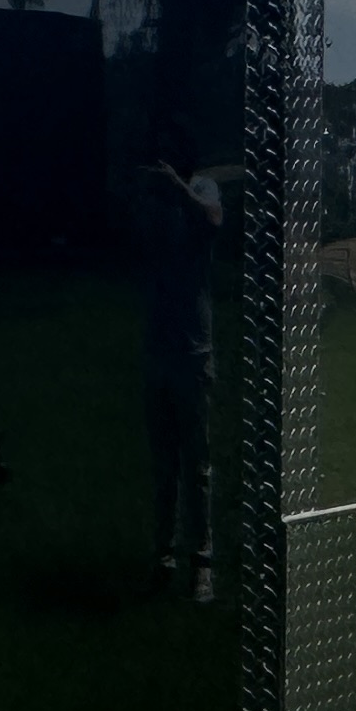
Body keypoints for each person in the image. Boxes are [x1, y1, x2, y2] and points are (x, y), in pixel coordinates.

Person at [137, 124, 224, 600]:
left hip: (193, 351)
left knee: (198, 464)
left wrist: (177, 189)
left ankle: (202, 562)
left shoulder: (202, 189)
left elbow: (212, 221)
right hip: (158, 350)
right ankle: (162, 557)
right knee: (163, 464)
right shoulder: (153, 205)